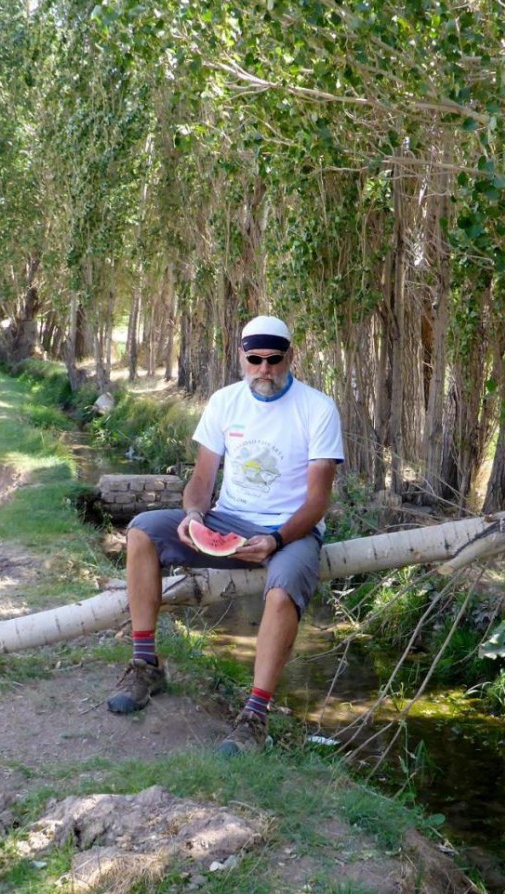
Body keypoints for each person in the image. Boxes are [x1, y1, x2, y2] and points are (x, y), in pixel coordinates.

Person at [106, 315, 345, 755]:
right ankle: (145, 664)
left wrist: (275, 539)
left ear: (290, 357)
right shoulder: (224, 402)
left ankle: (255, 714)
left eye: (274, 360)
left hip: (291, 531)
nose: (264, 370)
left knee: (280, 593)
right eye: (255, 359)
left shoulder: (318, 409)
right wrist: (195, 515)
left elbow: (317, 502)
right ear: (241, 357)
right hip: (226, 519)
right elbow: (201, 480)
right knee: (140, 532)